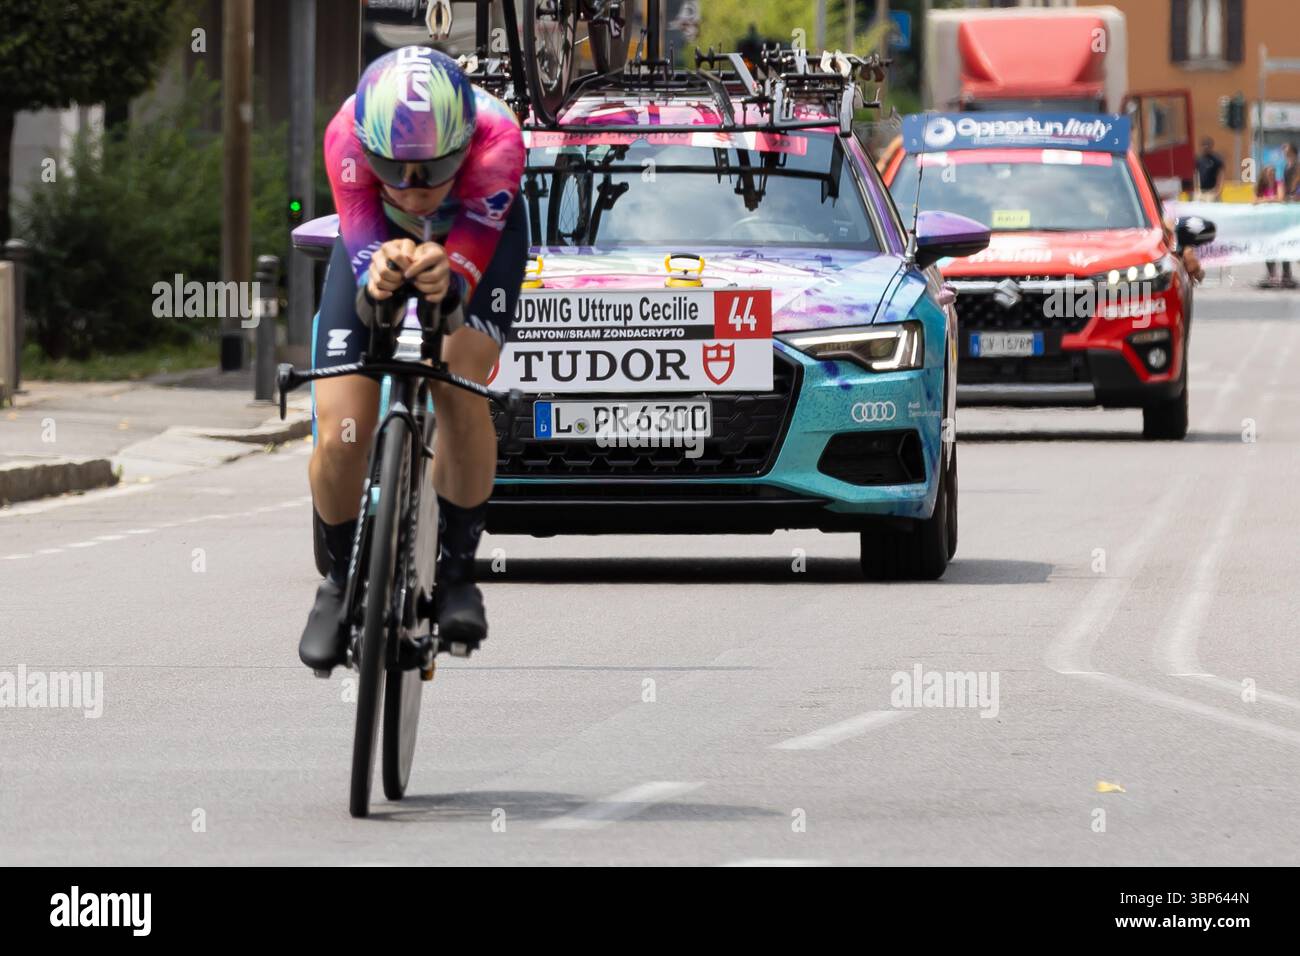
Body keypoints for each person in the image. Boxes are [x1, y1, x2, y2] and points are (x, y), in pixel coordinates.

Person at [299, 46, 527, 672]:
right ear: (368, 150)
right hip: (376, 237)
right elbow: (362, 245)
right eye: (393, 170)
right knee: (344, 431)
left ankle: (457, 575)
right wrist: (377, 278)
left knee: (457, 386)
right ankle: (340, 582)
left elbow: (464, 273)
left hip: (480, 232)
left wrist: (448, 278)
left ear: (464, 144)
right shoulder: (346, 133)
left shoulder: (499, 141)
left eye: (434, 168)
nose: (414, 189)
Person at [1254, 161, 1290, 288]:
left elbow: (1280, 199)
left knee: (1283, 248)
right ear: (1264, 174)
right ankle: (1272, 274)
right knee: (1268, 249)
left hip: (1279, 224)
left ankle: (1286, 275)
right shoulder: (1260, 187)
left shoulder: (1279, 184)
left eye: (1273, 173)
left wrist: (1264, 200)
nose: (1272, 175)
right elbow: (1254, 201)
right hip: (1265, 224)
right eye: (1269, 173)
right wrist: (1270, 200)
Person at [1194, 137, 1225, 201]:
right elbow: (1195, 174)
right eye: (1204, 145)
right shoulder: (1199, 159)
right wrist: (1196, 189)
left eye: (1208, 145)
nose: (1206, 147)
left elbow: (1221, 175)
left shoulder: (1216, 160)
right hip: (1201, 192)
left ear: (1211, 146)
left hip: (1212, 191)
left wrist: (1218, 191)